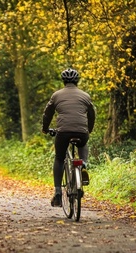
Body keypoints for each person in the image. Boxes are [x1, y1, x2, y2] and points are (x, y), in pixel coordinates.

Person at [41, 68, 96, 207]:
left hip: (63, 132)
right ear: (77, 81)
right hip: (82, 132)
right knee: (83, 143)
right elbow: (92, 115)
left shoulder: (56, 95)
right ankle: (83, 163)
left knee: (59, 158)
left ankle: (58, 193)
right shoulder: (85, 96)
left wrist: (45, 128)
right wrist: (88, 130)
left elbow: (47, 113)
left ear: (63, 81)